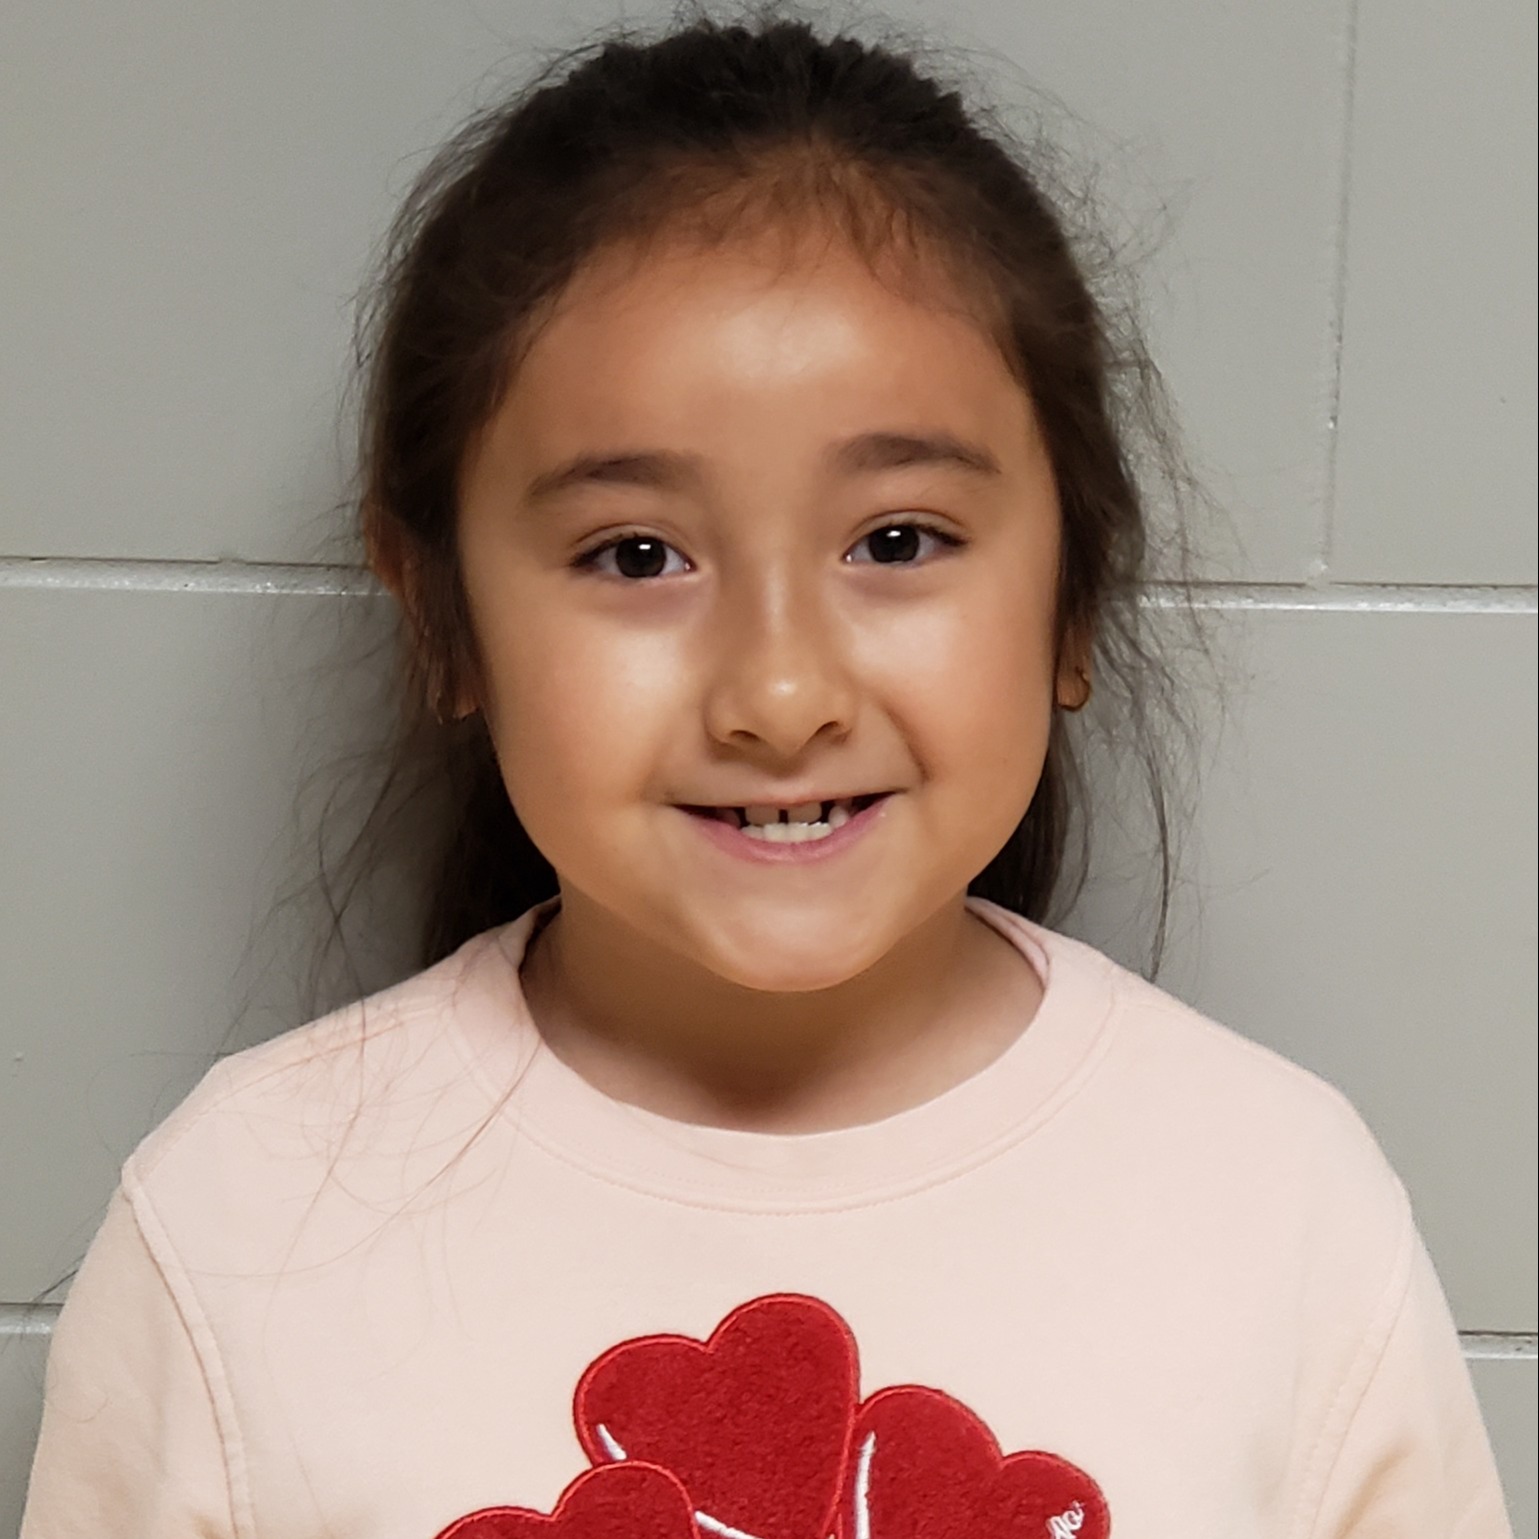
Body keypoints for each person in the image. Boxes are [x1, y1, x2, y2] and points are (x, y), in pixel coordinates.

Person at [20, 12, 1510, 1538]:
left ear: (1072, 600)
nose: (781, 696)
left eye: (898, 541)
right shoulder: (241, 1224)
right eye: (637, 555)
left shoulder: (1283, 1212)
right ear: (442, 619)